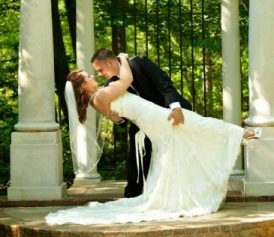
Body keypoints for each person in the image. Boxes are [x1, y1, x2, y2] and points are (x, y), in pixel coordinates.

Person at [46, 53, 261, 226]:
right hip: (155, 118)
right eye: (90, 76)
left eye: (97, 71)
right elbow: (127, 80)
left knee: (188, 137)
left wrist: (118, 115)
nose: (95, 76)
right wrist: (122, 57)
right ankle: (242, 135)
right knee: (199, 124)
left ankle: (237, 140)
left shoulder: (101, 94)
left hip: (153, 117)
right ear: (83, 86)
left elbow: (119, 114)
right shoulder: (102, 94)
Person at [91, 48, 192, 198]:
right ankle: (133, 196)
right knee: (136, 157)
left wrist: (175, 107)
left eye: (100, 69)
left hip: (169, 114)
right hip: (142, 125)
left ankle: (181, 192)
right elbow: (124, 113)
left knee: (182, 155)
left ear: (110, 61)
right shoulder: (110, 85)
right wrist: (118, 120)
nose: (100, 74)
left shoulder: (138, 63)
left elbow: (163, 83)